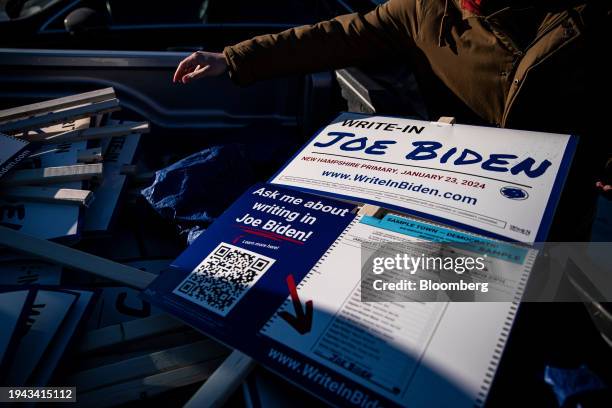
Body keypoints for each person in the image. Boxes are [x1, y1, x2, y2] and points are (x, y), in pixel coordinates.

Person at [173, 0, 611, 240]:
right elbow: (337, 35)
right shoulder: (425, 11)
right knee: (446, 311)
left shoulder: (592, 18)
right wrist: (232, 58)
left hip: (561, 209)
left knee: (550, 321)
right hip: (457, 195)